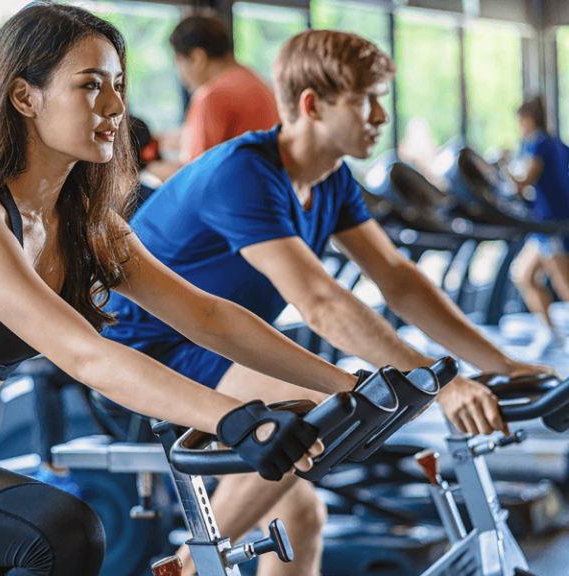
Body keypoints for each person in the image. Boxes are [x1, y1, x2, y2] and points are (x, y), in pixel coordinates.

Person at [0, 5, 383, 576]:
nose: (114, 105)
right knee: (67, 532)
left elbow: (206, 316)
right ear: (25, 97)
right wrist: (236, 418)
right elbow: (86, 354)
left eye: (119, 84)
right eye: (90, 85)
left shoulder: (88, 225)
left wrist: (355, 387)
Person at [104, 30, 549, 576]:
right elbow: (320, 302)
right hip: (149, 351)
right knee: (314, 415)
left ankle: (193, 564)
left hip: (218, 344)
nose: (381, 116)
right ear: (312, 105)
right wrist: (443, 381)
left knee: (301, 520)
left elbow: (398, 279)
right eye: (366, 100)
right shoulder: (244, 172)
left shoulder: (331, 180)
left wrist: (498, 365)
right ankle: (188, 568)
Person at [148, 13, 280, 181]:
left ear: (197, 58)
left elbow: (194, 177)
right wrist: (159, 140)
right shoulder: (257, 83)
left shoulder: (211, 96)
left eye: (179, 63)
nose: (181, 75)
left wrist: (146, 168)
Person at [509, 95, 569, 337]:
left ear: (529, 119)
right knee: (523, 275)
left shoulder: (539, 143)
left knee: (564, 285)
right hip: (544, 222)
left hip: (551, 222)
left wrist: (504, 168)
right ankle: (552, 335)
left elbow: (524, 181)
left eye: (520, 120)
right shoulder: (555, 142)